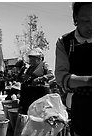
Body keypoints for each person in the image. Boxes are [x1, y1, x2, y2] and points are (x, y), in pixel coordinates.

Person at [55, 2, 92, 136]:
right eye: (86, 20)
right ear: (75, 18)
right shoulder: (65, 42)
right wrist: (88, 81)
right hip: (82, 108)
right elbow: (60, 76)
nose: (91, 26)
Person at [19, 47, 54, 114]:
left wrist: (40, 78)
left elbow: (51, 75)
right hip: (30, 94)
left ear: (39, 58)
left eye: (33, 58)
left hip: (41, 93)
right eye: (30, 58)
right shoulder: (30, 68)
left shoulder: (44, 65)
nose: (31, 60)